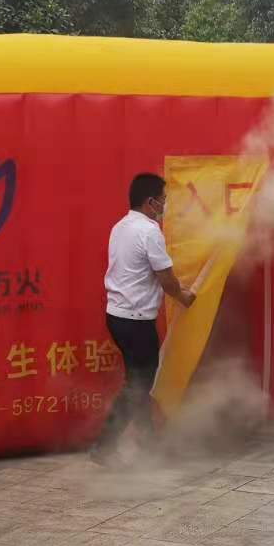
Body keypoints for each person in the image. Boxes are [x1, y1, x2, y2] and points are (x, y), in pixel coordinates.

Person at [91, 173, 196, 465]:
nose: (165, 205)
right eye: (163, 200)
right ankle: (105, 446)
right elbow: (167, 280)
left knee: (138, 381)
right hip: (136, 322)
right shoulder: (149, 232)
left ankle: (148, 445)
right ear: (151, 202)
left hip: (117, 316)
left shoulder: (120, 227)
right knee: (138, 384)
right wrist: (185, 297)